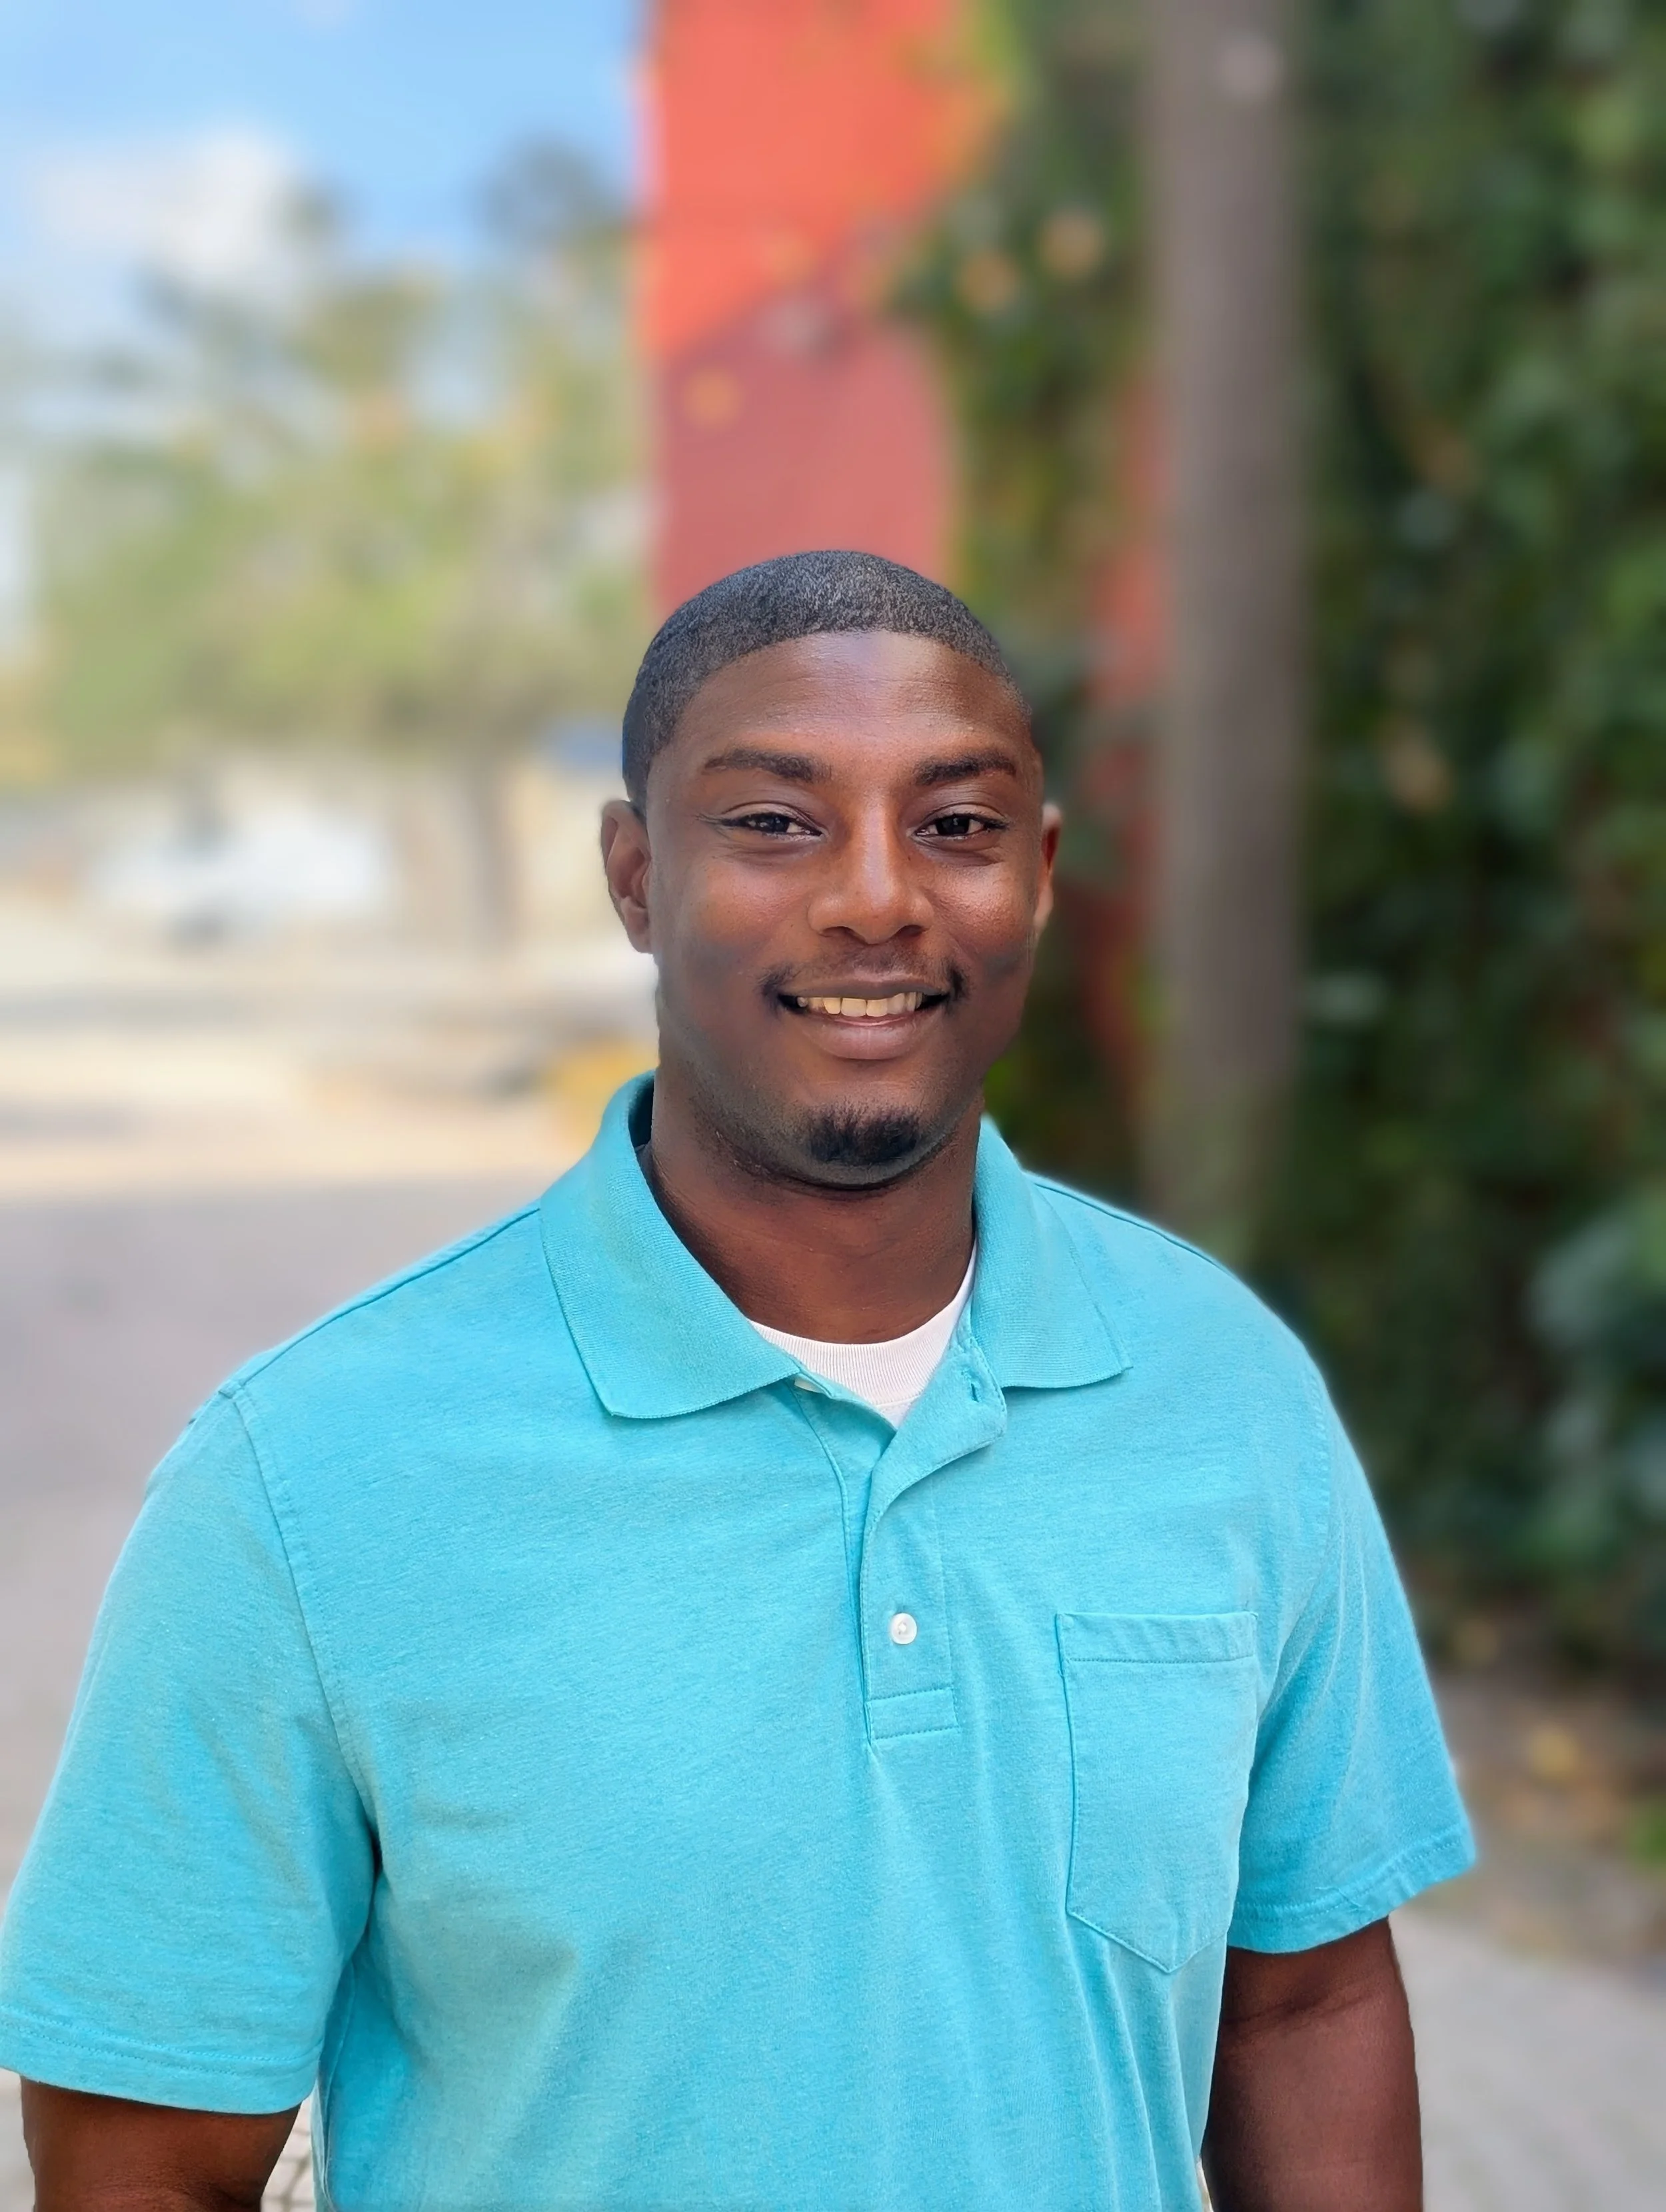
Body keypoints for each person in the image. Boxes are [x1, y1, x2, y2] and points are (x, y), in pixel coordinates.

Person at [1, 551, 1472, 2211]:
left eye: (955, 825)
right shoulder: (303, 1478)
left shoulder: (1226, 1394)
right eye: (775, 823)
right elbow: (140, 2158)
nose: (875, 897)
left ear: (1037, 876)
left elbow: (1303, 1997)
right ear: (636, 874)